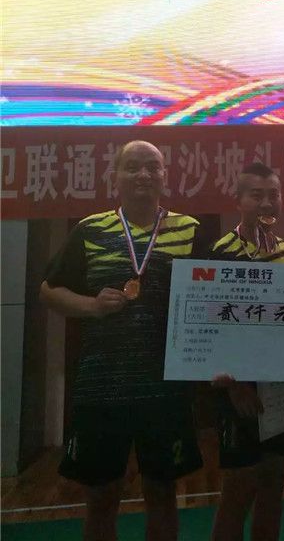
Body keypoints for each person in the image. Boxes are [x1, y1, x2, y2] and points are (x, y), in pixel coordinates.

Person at [40, 140, 204, 541]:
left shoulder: (190, 230)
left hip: (166, 388)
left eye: (152, 167)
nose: (143, 174)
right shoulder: (90, 229)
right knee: (101, 497)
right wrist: (92, 307)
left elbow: (214, 299)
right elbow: (48, 291)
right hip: (102, 386)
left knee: (163, 494)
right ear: (115, 176)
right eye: (132, 167)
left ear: (165, 176)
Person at [209, 162, 284, 541]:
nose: (267, 203)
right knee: (240, 486)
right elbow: (210, 324)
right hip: (241, 388)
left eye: (273, 195)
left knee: (275, 480)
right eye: (257, 195)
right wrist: (235, 385)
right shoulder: (220, 252)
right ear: (238, 201)